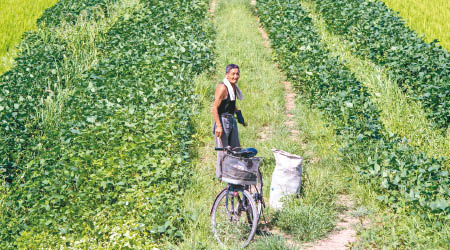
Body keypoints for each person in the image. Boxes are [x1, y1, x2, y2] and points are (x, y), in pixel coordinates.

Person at [211, 64, 246, 179]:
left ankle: (233, 175)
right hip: (223, 121)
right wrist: (219, 126)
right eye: (233, 74)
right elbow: (214, 108)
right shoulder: (223, 88)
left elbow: (231, 103)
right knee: (223, 151)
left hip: (231, 120)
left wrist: (238, 114)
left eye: (237, 74)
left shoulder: (233, 87)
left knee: (236, 150)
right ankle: (221, 177)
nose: (235, 76)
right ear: (227, 75)